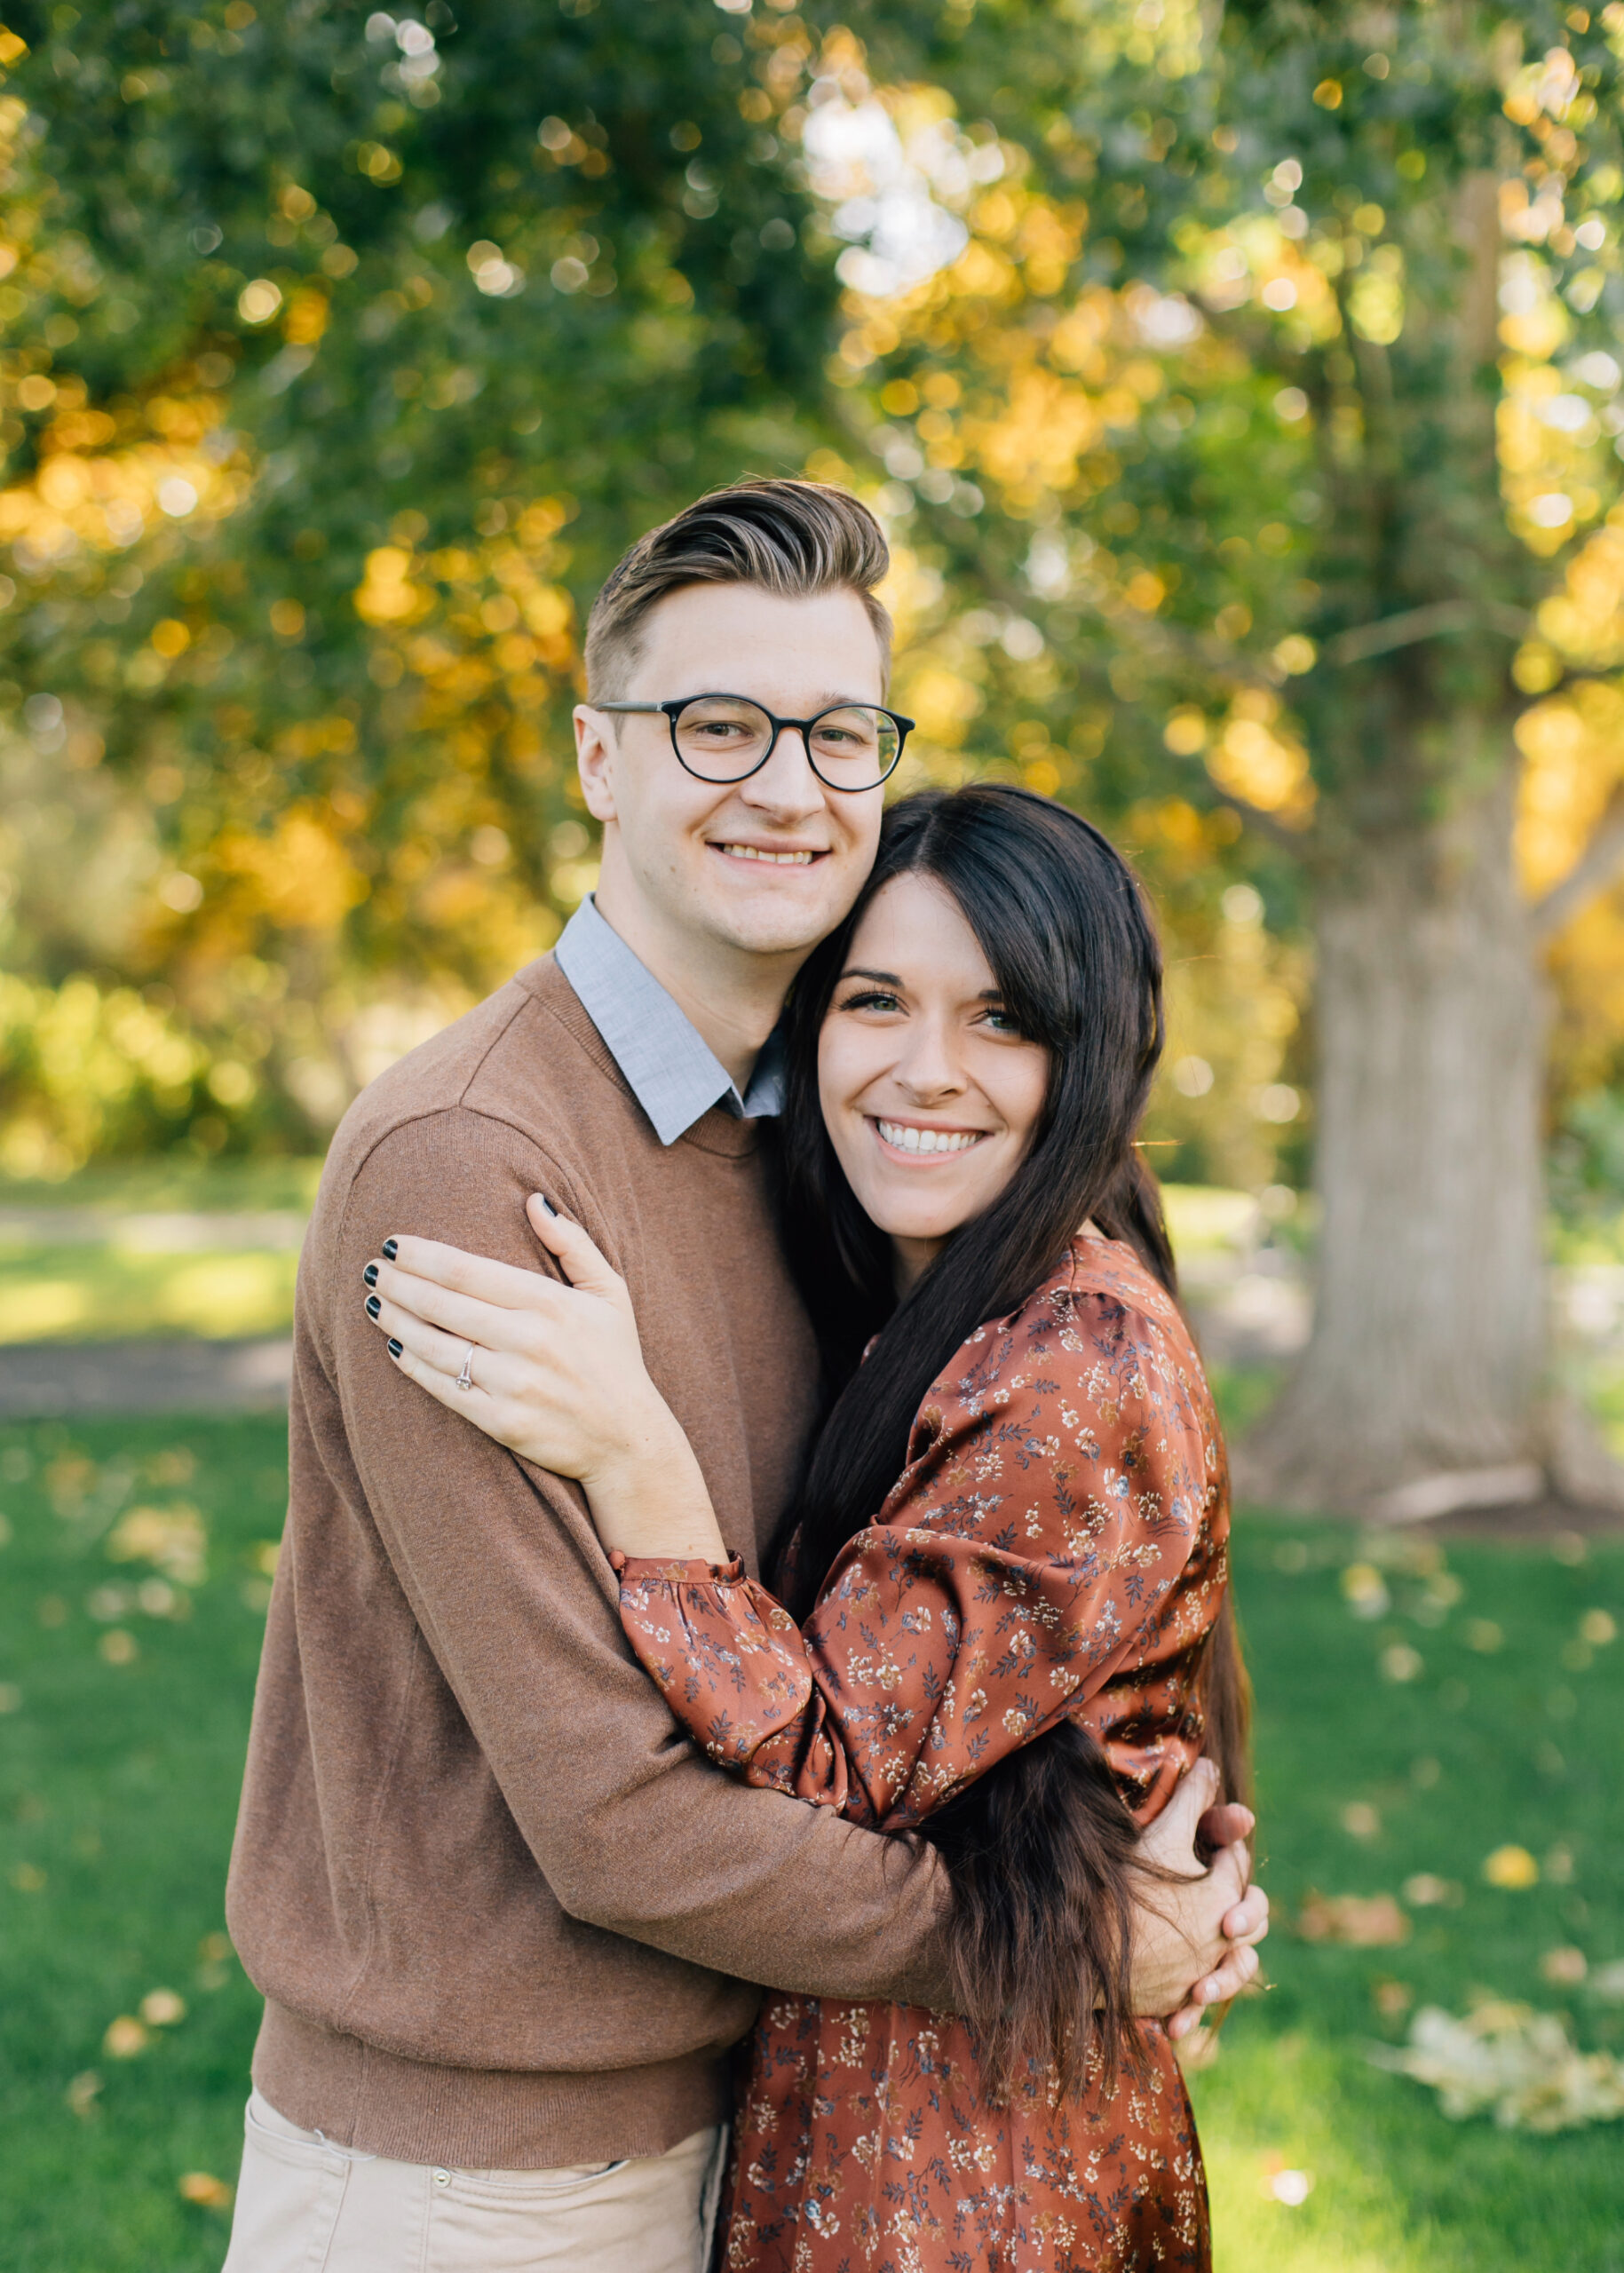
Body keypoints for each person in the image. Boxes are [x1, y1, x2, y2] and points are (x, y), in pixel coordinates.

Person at [221, 480, 1265, 2273]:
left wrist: (1160, 1851)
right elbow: (620, 1823)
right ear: (600, 760)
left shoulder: (834, 1164)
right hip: (494, 2178)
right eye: (716, 723)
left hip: (779, 2119)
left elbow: (1006, 1630)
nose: (785, 783)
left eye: (835, 732)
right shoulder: (475, 1161)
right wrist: (1065, 1941)